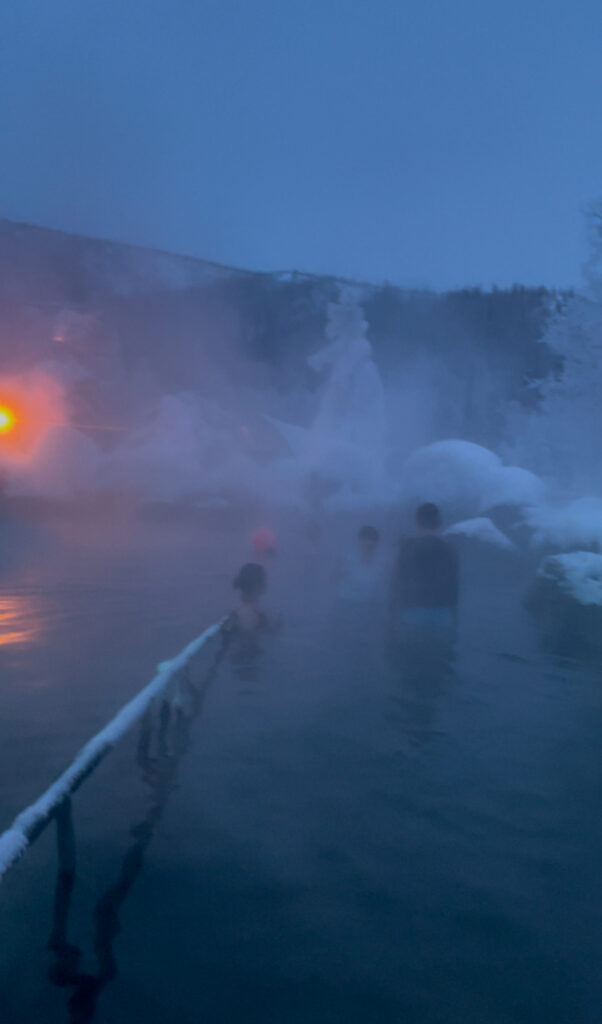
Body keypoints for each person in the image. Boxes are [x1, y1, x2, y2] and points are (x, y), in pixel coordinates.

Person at [389, 503, 459, 636]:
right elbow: (454, 588)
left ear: (416, 522)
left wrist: (391, 617)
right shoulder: (450, 550)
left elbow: (395, 583)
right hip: (442, 616)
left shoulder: (406, 548)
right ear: (439, 523)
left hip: (412, 614)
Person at [223, 563, 281, 677]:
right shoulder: (248, 615)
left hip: (243, 660)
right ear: (258, 587)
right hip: (245, 662)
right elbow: (247, 640)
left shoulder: (248, 611)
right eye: (264, 581)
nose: (267, 584)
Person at [335, 525, 383, 603]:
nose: (369, 544)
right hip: (346, 602)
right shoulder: (345, 559)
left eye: (372, 540)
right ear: (359, 541)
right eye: (365, 540)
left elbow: (381, 587)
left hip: (370, 604)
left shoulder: (382, 563)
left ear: (376, 544)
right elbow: (333, 579)